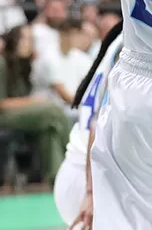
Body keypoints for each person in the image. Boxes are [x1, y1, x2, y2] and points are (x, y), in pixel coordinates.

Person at [0, 25, 71, 180]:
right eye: (24, 38)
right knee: (52, 110)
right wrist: (34, 102)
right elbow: (1, 104)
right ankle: (77, 164)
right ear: (13, 40)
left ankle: (58, 178)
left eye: (30, 39)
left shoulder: (23, 63)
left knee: (51, 128)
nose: (28, 43)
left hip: (14, 113)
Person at [51, 21, 122, 225]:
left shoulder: (118, 39)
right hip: (91, 177)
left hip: (79, 171)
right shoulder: (132, 46)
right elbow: (97, 124)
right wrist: (91, 192)